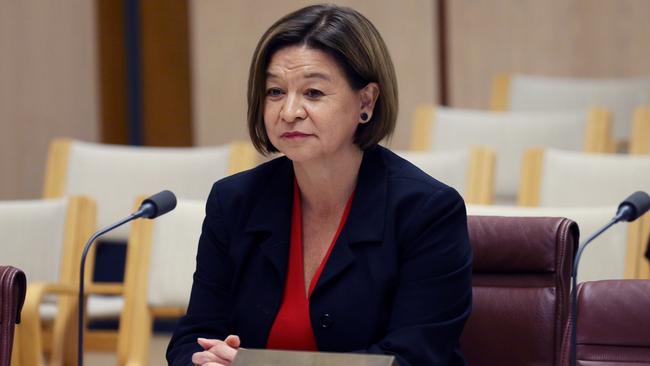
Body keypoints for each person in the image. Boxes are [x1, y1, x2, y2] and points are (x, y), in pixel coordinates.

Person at [167, 4, 472, 366]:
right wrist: (205, 363)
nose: (289, 111)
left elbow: (413, 357)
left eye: (313, 93)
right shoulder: (234, 201)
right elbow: (193, 337)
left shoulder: (427, 211)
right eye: (276, 92)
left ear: (366, 102)